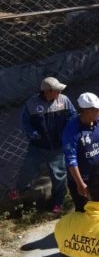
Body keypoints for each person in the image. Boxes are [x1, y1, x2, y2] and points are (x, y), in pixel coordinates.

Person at [11, 77, 76, 213]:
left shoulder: (64, 100)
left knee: (59, 175)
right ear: (47, 91)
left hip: (57, 148)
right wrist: (33, 133)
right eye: (57, 90)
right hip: (38, 147)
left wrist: (67, 131)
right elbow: (25, 122)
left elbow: (72, 115)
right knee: (27, 169)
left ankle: (57, 202)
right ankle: (20, 189)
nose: (59, 92)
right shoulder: (31, 104)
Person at [63, 92, 99, 212]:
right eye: (98, 109)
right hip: (82, 179)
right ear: (87, 111)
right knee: (85, 212)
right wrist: (80, 184)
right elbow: (71, 159)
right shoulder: (71, 130)